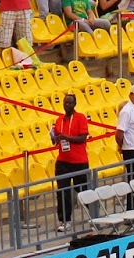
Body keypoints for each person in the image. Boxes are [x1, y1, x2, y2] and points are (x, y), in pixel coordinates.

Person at [49, 90, 89, 233]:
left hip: (79, 160)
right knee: (62, 192)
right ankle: (65, 220)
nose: (67, 104)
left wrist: (66, 137)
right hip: (63, 161)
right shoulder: (59, 120)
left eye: (70, 102)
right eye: (66, 102)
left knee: (83, 189)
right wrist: (55, 138)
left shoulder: (80, 118)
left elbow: (83, 138)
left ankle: (93, 215)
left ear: (75, 104)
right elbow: (57, 140)